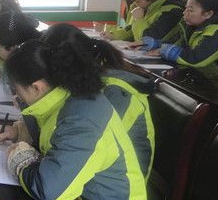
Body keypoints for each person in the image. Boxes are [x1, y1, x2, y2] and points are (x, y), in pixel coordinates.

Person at [0, 40, 146, 200]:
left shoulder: (83, 118)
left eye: (16, 89)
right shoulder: (68, 97)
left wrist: (19, 157)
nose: (16, 96)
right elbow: (54, 135)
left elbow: (51, 191)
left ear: (37, 87)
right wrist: (19, 131)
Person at [42, 23, 155, 179]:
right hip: (99, 167)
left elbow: (87, 144)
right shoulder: (88, 78)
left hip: (123, 181)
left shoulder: (116, 92)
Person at [140, 0, 218, 79]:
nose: (184, 12)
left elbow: (195, 59)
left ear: (208, 14)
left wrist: (162, 50)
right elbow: (178, 45)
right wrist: (155, 45)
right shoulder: (193, 26)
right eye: (186, 8)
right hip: (196, 75)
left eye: (190, 10)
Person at [0, 11, 41, 81]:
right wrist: (2, 74)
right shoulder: (32, 51)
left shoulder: (37, 63)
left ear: (14, 47)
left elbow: (26, 82)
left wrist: (4, 77)